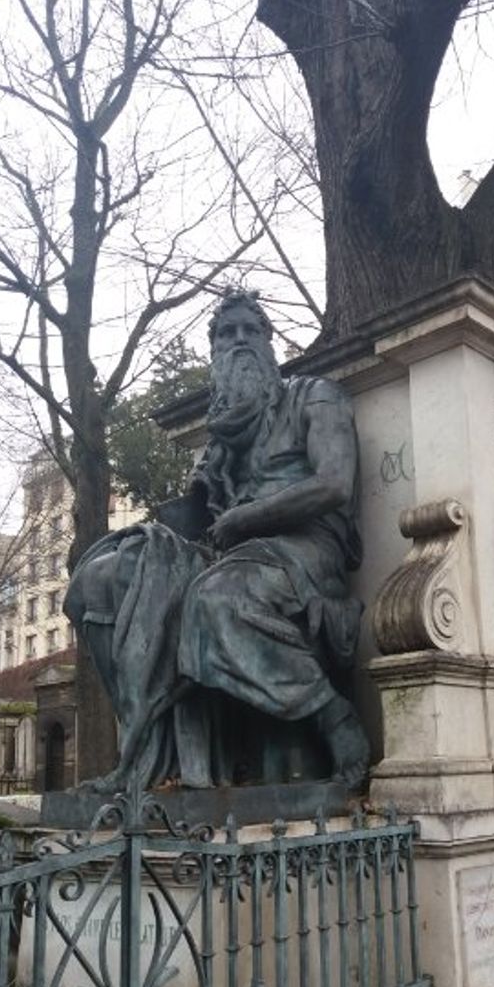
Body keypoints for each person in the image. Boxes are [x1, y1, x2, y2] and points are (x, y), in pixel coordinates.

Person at [64, 289, 369, 793]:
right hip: (234, 552)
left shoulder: (313, 395)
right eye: (227, 334)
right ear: (214, 352)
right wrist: (161, 540)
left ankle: (335, 718)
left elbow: (335, 483)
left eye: (252, 330)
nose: (240, 340)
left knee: (214, 598)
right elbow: (200, 518)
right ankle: (145, 760)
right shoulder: (223, 434)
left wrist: (248, 517)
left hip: (306, 552)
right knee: (102, 579)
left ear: (271, 343)